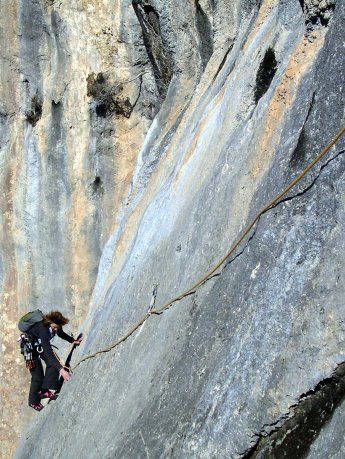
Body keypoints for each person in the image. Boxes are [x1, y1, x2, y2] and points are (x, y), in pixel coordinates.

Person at [27, 310, 83, 411]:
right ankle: (33, 402)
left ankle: (43, 391)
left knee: (52, 364)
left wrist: (72, 340)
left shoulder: (56, 326)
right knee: (37, 377)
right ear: (50, 322)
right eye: (55, 327)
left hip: (39, 345)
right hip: (30, 348)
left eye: (58, 327)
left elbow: (60, 334)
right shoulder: (43, 329)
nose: (56, 329)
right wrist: (61, 370)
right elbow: (49, 353)